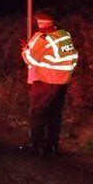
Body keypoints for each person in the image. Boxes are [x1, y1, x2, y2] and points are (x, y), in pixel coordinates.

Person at [20, 12, 79, 156]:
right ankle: (52, 146)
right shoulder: (64, 34)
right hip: (63, 81)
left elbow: (30, 59)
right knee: (54, 114)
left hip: (46, 81)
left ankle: (36, 146)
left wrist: (25, 49)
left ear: (41, 24)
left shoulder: (43, 38)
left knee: (37, 114)